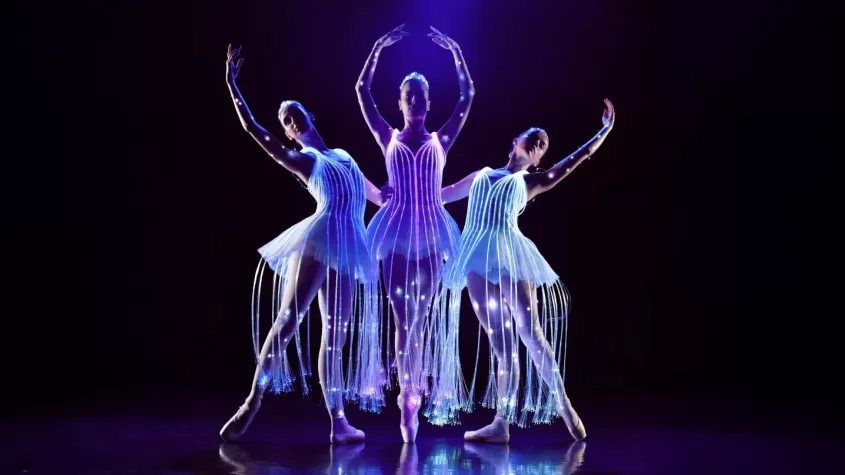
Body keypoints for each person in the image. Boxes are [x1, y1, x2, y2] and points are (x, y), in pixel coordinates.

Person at [219, 45, 390, 444]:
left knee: (338, 332)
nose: (289, 119)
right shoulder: (303, 160)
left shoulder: (344, 156)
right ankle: (252, 401)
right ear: (289, 131)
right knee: (290, 318)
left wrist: (400, 194)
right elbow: (253, 131)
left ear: (310, 116)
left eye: (294, 112)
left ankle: (339, 422)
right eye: (284, 119)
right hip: (320, 237)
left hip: (350, 245)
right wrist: (233, 86)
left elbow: (376, 196)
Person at [436, 100, 616, 443]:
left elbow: (572, 163)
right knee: (502, 344)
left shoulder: (530, 182)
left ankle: (563, 404)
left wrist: (603, 132)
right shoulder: (482, 176)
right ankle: (501, 423)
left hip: (510, 256)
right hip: (474, 258)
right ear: (515, 143)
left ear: (538, 159)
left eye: (544, 144)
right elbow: (439, 196)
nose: (539, 141)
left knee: (530, 333)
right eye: (533, 137)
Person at [355, 24, 475, 441]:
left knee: (419, 319)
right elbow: (361, 92)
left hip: (431, 233)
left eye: (422, 96)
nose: (416, 101)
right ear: (401, 102)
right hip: (396, 231)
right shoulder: (386, 136)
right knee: (400, 316)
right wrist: (376, 48)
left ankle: (414, 394)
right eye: (409, 96)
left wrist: (456, 52)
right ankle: (406, 399)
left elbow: (468, 96)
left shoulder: (442, 139)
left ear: (428, 101)